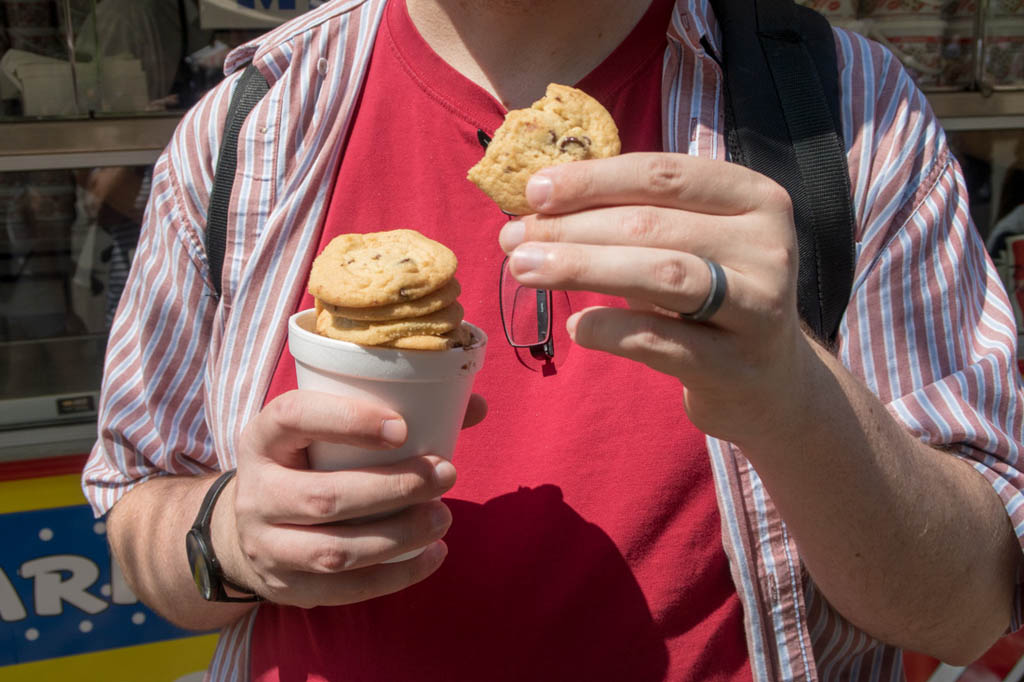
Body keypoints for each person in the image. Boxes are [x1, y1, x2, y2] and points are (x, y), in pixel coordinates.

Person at [82, 0, 1024, 680]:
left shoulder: (848, 111)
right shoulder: (250, 126)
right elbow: (139, 510)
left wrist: (792, 391)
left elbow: (971, 606)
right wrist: (231, 538)